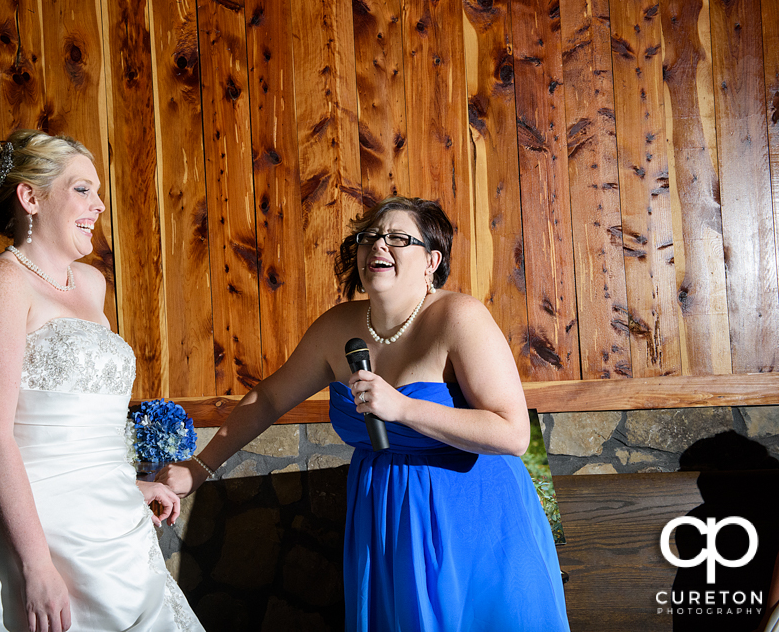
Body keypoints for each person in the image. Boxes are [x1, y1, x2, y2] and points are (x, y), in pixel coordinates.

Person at [159, 196, 570, 631]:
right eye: (369, 237)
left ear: (432, 260)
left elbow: (513, 434)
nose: (378, 246)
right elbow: (270, 399)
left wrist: (404, 408)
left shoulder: (459, 317)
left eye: (397, 238)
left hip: (475, 519)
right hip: (385, 510)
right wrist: (198, 468)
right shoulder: (338, 327)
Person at [0, 130, 204, 632]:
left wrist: (125, 485)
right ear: (30, 197)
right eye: (83, 189)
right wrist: (35, 566)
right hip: (26, 542)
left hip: (109, 533)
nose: (100, 205)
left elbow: (74, 428)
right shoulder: (0, 283)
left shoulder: (92, 285)